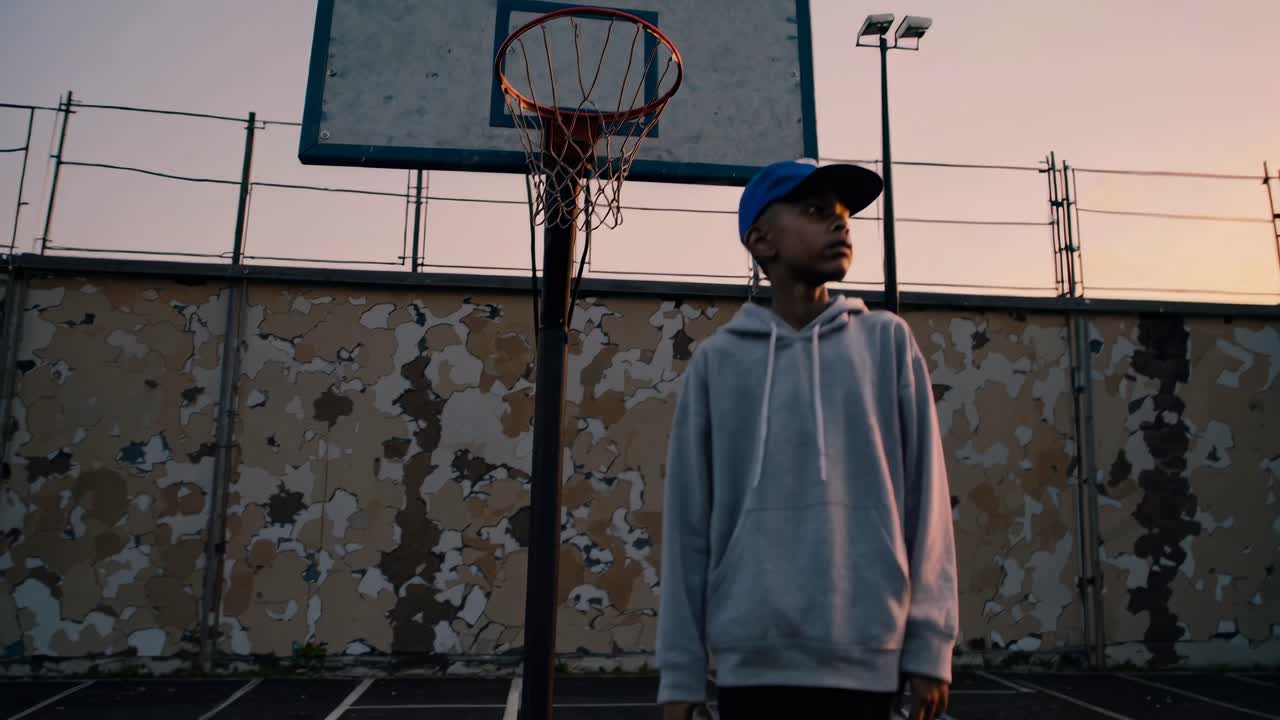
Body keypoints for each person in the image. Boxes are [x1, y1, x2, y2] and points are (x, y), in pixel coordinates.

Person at [655, 159, 959, 720]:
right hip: (753, 662)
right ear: (761, 240)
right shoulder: (718, 363)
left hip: (867, 656)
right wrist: (680, 673)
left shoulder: (887, 344)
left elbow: (927, 504)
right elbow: (687, 525)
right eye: (816, 211)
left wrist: (931, 646)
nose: (840, 224)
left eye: (844, 215)